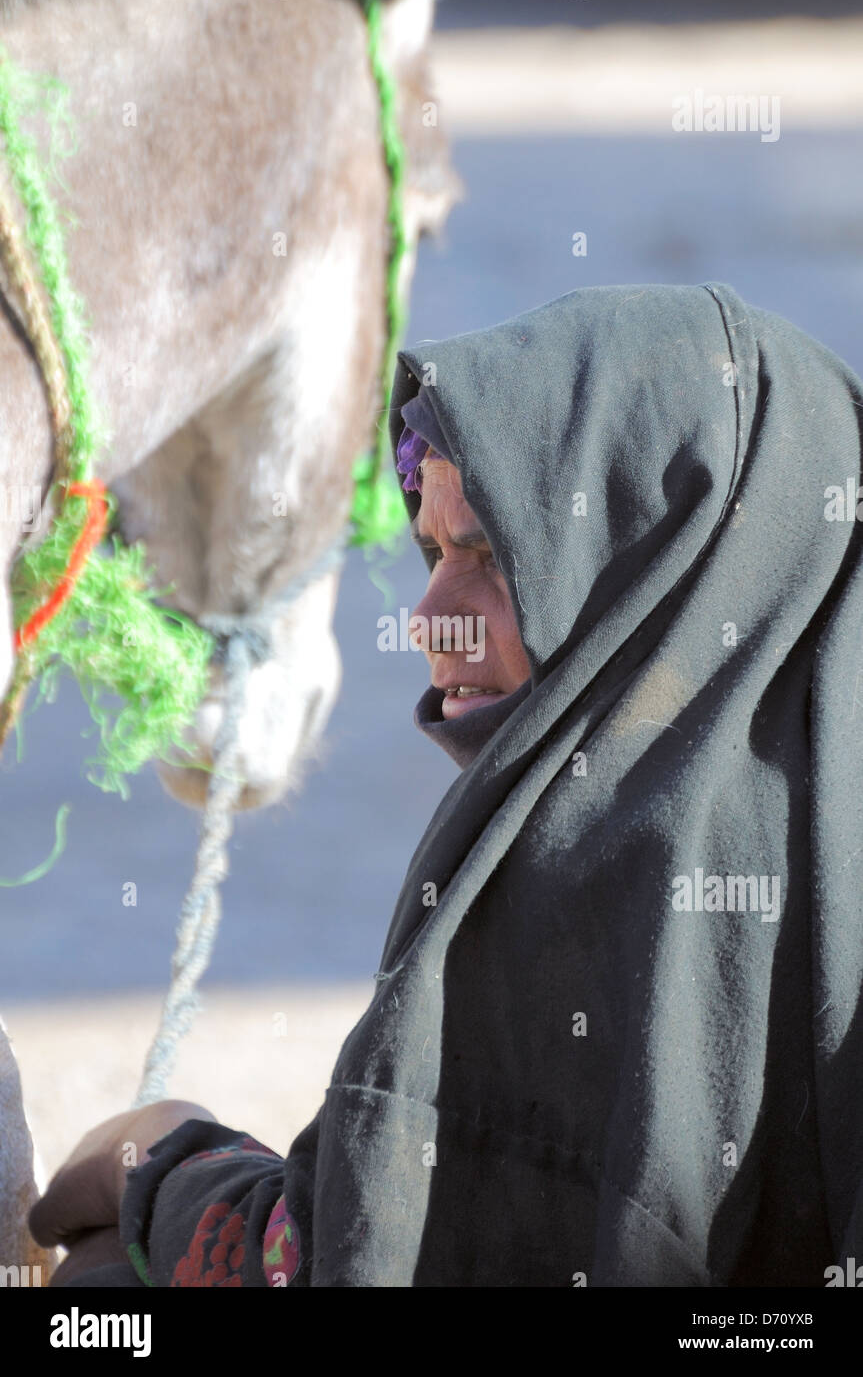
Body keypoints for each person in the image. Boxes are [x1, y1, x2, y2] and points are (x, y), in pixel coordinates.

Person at [30, 282, 863, 1286]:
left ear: (655, 564)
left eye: (489, 552)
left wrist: (161, 1164)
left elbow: (363, 1255)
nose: (428, 615)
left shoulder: (587, 878)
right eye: (431, 549)